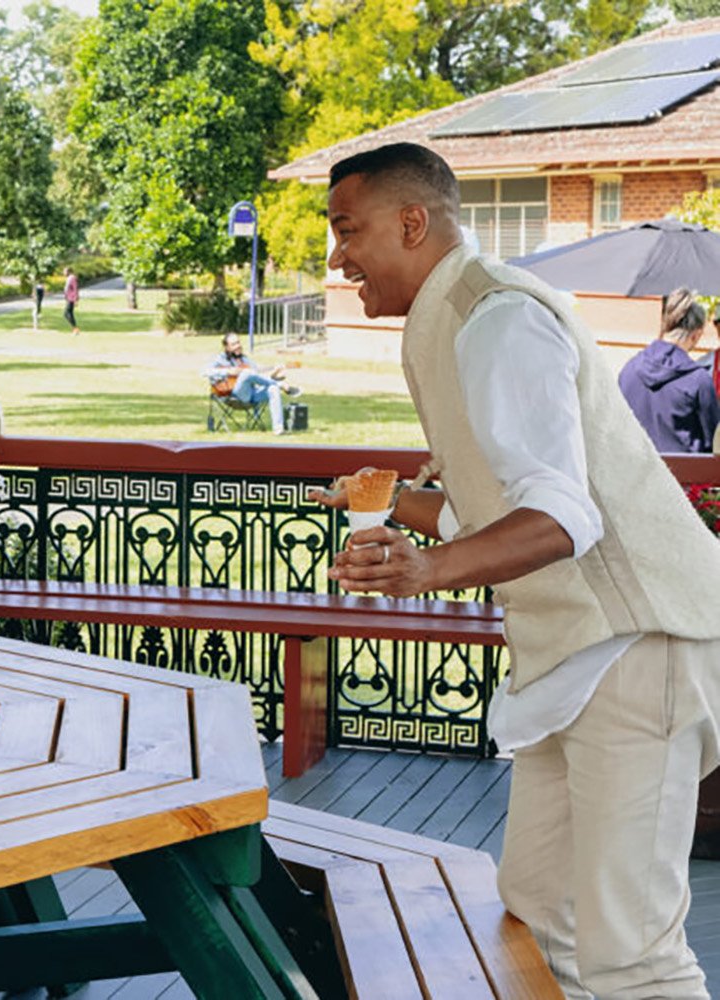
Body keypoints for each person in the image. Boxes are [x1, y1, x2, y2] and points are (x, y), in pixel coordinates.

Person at [317, 141, 720, 999]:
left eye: (347, 230)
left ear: (412, 222)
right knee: (538, 912)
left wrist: (423, 568)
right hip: (576, 660)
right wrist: (391, 512)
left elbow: (563, 517)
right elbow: (497, 511)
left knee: (632, 957)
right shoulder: (462, 315)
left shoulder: (497, 317)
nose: (336, 256)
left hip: (639, 650)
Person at [616, 287, 720, 453]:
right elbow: (715, 445)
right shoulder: (698, 380)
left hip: (635, 473)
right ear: (696, 334)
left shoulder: (628, 370)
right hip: (682, 477)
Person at [205, 332, 302, 435]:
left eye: (238, 342)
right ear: (227, 347)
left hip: (251, 394)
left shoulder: (244, 359)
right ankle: (280, 384)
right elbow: (204, 372)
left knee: (272, 388)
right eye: (233, 344)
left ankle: (278, 429)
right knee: (247, 373)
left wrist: (274, 372)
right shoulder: (220, 359)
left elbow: (258, 376)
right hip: (232, 395)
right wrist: (228, 371)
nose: (238, 346)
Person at [62, 267, 80, 335]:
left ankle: (75, 328)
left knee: (66, 313)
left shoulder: (72, 278)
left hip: (71, 298)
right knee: (69, 314)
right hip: (69, 298)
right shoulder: (69, 278)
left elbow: (75, 289)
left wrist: (76, 300)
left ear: (69, 272)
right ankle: (75, 329)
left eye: (65, 271)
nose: (63, 273)